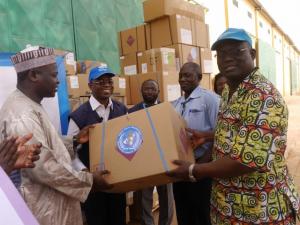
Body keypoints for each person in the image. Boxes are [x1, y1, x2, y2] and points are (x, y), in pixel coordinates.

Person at [167, 28, 300, 224]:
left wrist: (194, 170)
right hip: (228, 206)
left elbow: (246, 160)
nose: (228, 58)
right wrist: (208, 135)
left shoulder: (265, 97)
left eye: (237, 51)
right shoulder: (229, 89)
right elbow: (238, 129)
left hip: (259, 209)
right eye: (222, 54)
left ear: (252, 54)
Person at [0, 46, 111, 225]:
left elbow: (44, 144)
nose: (58, 80)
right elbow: (44, 166)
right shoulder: (21, 115)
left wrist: (74, 140)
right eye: (53, 75)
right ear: (34, 75)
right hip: (43, 212)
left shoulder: (30, 105)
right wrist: (90, 181)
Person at [68, 66, 128, 225]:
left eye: (109, 81)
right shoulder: (78, 116)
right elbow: (70, 151)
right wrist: (86, 174)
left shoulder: (122, 110)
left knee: (119, 219)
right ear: (90, 86)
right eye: (100, 81)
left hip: (117, 181)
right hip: (93, 184)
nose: (106, 84)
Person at [172, 62, 220, 225]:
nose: (183, 79)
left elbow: (220, 135)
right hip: (180, 170)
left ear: (199, 78)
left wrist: (201, 165)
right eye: (180, 76)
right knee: (184, 214)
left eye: (187, 75)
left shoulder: (210, 100)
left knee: (202, 215)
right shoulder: (176, 104)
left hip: (201, 169)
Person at [128, 79, 174, 225]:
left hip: (165, 162)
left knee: (166, 199)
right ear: (141, 91)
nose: (149, 91)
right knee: (144, 201)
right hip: (144, 164)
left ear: (158, 92)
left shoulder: (166, 109)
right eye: (146, 89)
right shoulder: (132, 112)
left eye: (152, 89)